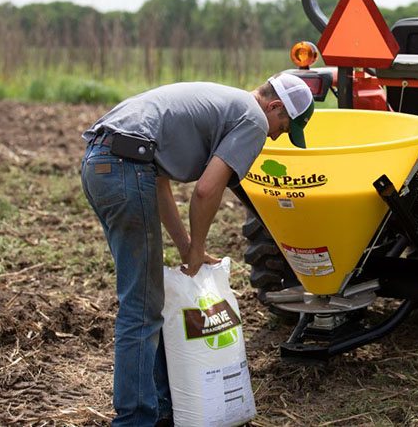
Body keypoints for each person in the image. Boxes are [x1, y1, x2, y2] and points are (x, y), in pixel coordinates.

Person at [80, 74, 314, 427]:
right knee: (141, 308)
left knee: (146, 301)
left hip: (102, 164)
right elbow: (206, 191)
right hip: (125, 169)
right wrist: (198, 247)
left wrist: (188, 246)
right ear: (275, 106)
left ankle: (157, 409)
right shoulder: (252, 118)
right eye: (284, 125)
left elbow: (158, 183)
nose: (278, 134)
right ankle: (134, 420)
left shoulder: (226, 103)